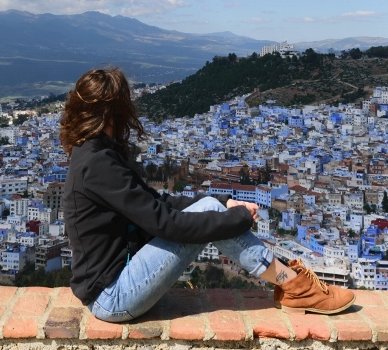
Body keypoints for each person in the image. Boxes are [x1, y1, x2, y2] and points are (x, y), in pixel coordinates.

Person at [61, 67, 356, 323]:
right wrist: (235, 219)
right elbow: (166, 224)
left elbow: (157, 202)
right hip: (112, 296)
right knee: (209, 214)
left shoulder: (95, 153)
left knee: (208, 206)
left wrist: (223, 203)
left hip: (114, 283)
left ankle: (291, 285)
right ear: (117, 110)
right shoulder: (98, 163)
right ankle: (296, 287)